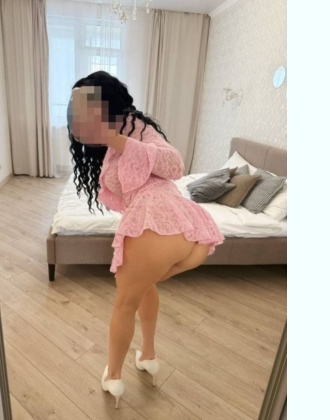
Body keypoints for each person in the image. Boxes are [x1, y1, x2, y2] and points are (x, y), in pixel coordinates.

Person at [67, 71, 224, 408]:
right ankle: (148, 356)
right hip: (179, 233)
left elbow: (175, 165)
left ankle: (113, 377)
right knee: (144, 289)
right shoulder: (111, 139)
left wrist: (114, 138)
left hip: (157, 223)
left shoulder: (136, 129)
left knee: (124, 304)